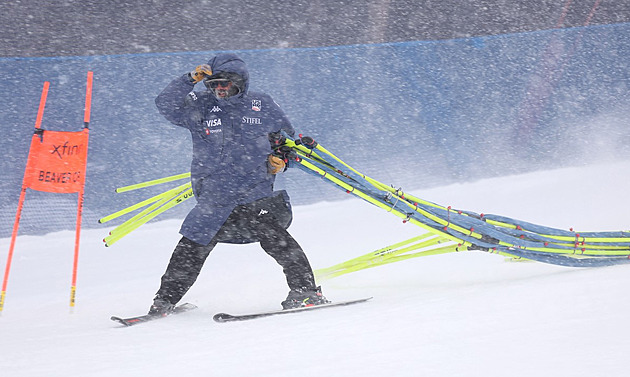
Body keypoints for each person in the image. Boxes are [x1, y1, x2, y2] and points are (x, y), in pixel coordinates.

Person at [151, 53, 328, 315]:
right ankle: (164, 302)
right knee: (191, 246)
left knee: (277, 240)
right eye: (213, 84)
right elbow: (166, 104)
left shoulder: (262, 104)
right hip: (214, 194)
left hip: (254, 190)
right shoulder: (200, 105)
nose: (219, 89)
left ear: (240, 82)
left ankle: (306, 293)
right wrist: (190, 80)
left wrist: (282, 160)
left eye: (224, 84)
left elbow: (289, 142)